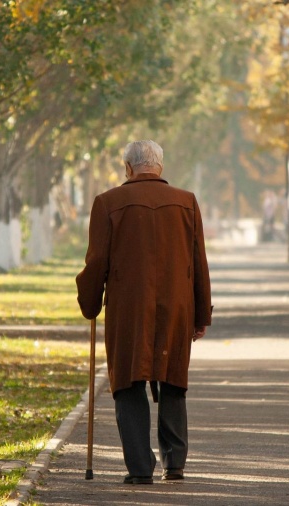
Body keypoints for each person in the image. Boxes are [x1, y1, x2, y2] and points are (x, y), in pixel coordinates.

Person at [76, 140, 212, 485]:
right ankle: (175, 463)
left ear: (127, 167)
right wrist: (201, 316)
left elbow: (96, 263)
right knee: (173, 379)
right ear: (160, 167)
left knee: (128, 381)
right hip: (177, 305)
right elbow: (199, 263)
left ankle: (139, 469)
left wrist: (90, 302)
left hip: (128, 308)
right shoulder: (186, 203)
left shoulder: (107, 203)